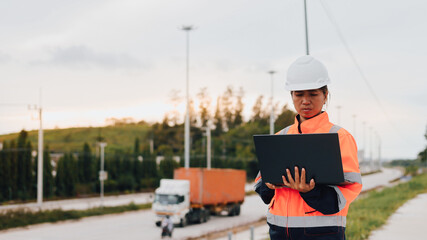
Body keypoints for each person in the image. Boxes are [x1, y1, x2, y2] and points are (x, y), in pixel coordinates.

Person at [254, 55, 362, 240]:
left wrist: (311, 191)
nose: (305, 101)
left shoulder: (339, 137)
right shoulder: (280, 137)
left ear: (325, 95)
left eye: (313, 94)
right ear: (291, 96)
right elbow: (262, 189)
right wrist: (269, 184)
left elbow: (347, 192)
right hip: (279, 233)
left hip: (322, 234)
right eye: (299, 94)